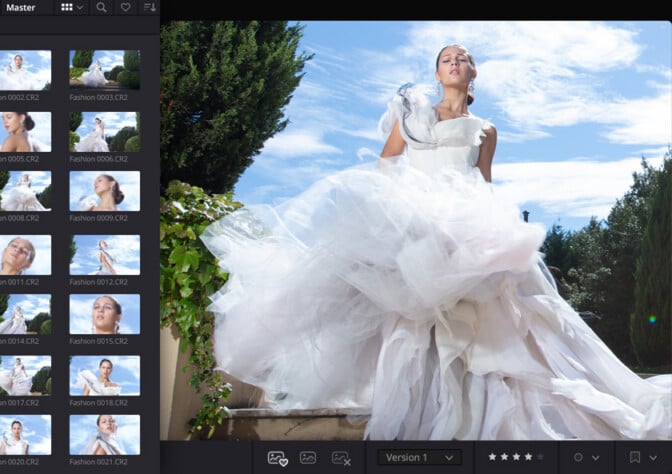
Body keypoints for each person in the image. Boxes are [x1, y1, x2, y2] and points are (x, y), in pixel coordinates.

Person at [199, 44, 672, 441]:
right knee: (411, 313)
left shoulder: (486, 129)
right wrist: (392, 214)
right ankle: (417, 405)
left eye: (463, 57)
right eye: (446, 56)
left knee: (487, 314)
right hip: (415, 217)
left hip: (468, 220)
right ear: (436, 71)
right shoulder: (412, 116)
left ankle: (474, 408)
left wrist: (493, 229)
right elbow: (386, 165)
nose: (454, 61)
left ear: (472, 73)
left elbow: (483, 181)